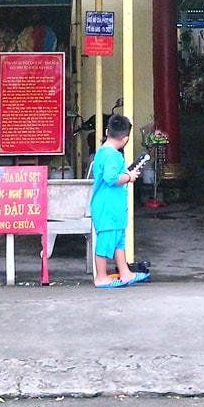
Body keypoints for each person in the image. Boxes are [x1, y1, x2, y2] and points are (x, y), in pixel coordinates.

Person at [91, 114, 149, 288]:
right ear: (126, 139)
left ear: (107, 132)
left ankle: (125, 273)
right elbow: (111, 178)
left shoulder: (103, 152)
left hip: (112, 207)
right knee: (106, 241)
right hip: (108, 207)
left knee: (118, 241)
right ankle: (101, 277)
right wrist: (129, 177)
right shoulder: (112, 155)